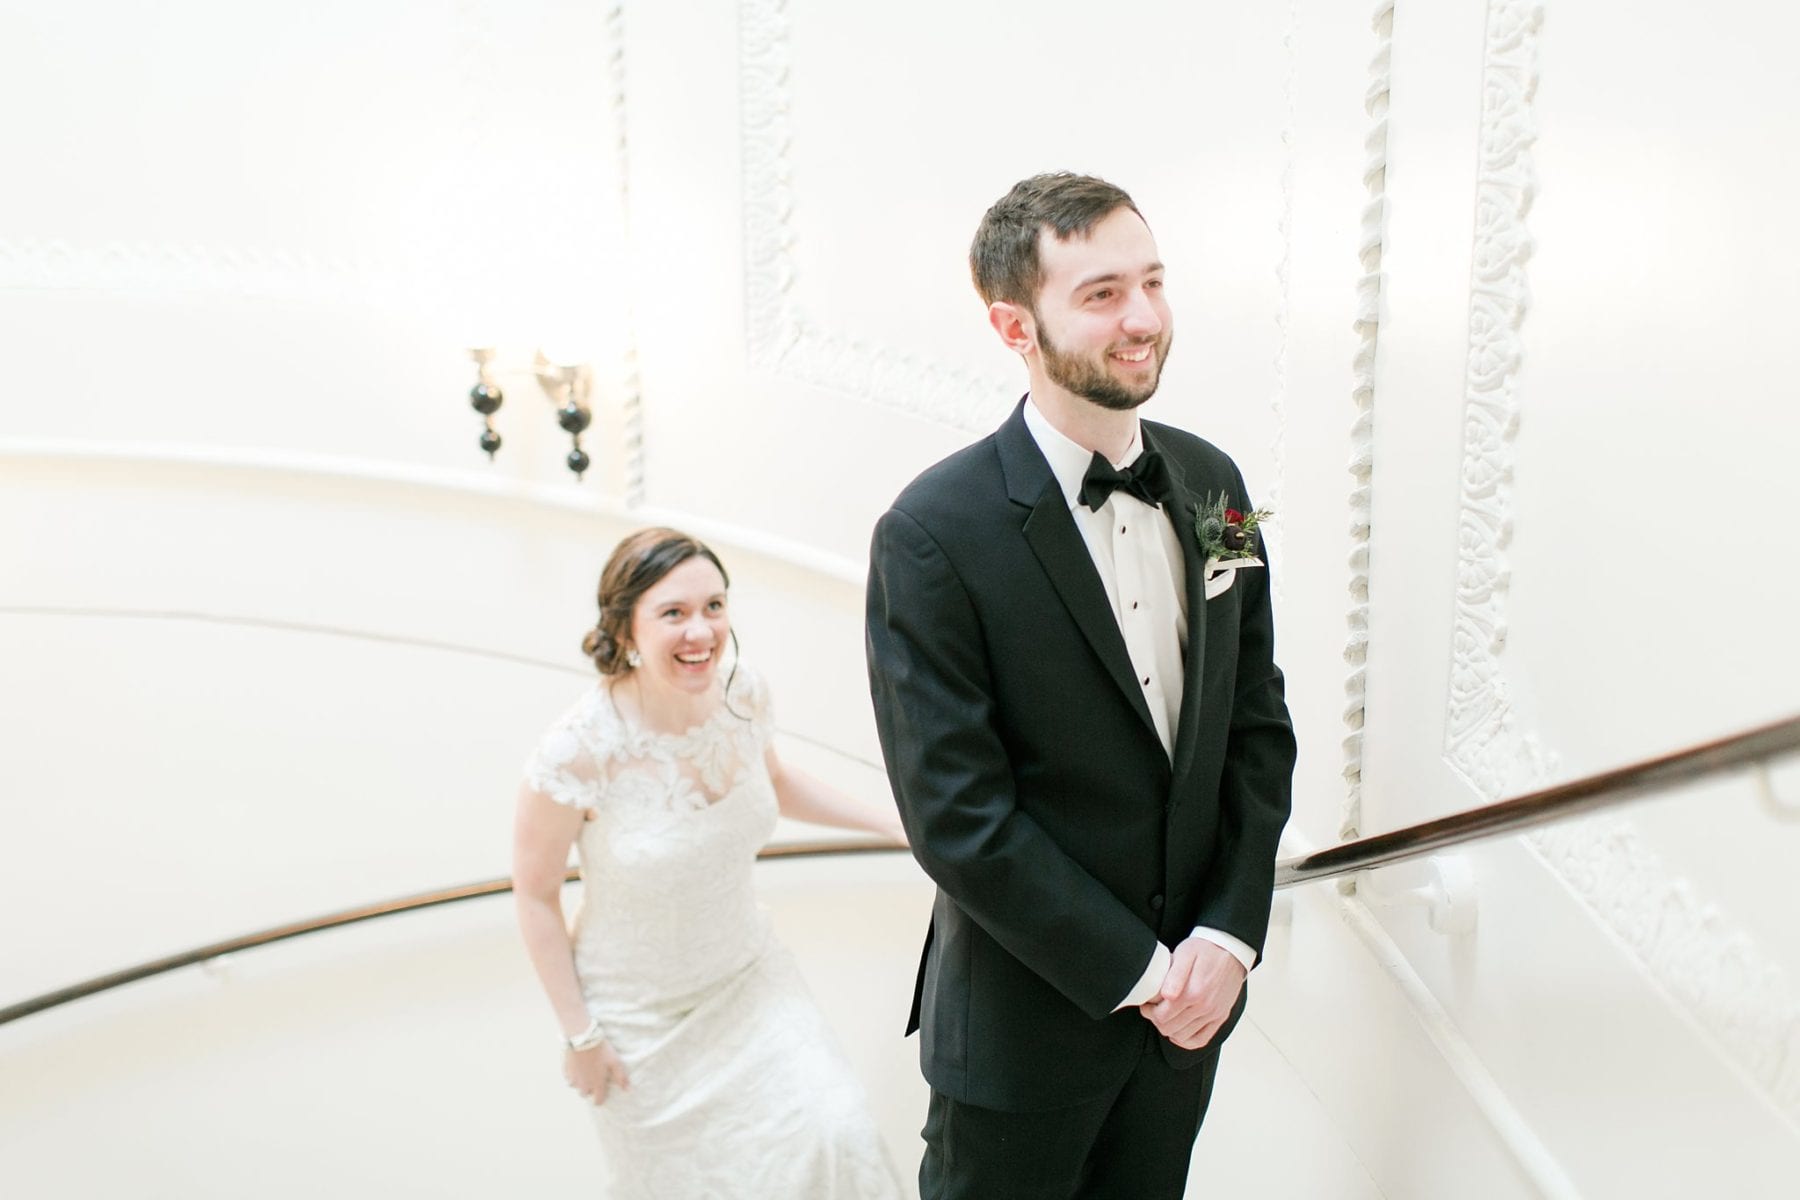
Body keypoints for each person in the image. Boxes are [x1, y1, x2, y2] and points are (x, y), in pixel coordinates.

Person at [865, 172, 1297, 1198]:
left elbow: (1257, 722)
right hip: (1023, 1040)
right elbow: (960, 819)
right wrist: (1147, 979)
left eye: (1152, 282)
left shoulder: (1214, 484)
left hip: (1187, 1034)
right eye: (1101, 293)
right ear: (1014, 324)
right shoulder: (931, 534)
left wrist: (1228, 941)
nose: (1143, 318)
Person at [514, 527, 905, 1200]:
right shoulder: (577, 750)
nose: (701, 631)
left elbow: (775, 782)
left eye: (715, 607)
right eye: (674, 613)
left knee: (839, 1135)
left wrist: (901, 828)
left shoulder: (742, 695)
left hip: (751, 985)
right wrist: (580, 1034)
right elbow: (535, 895)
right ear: (627, 626)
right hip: (639, 1030)